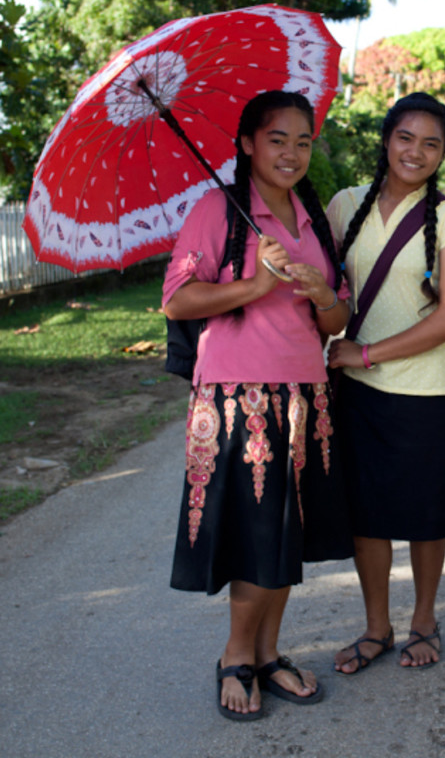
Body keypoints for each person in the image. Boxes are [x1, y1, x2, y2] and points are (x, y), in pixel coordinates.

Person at [162, 90, 353, 720]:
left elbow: (335, 321)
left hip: (305, 396)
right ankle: (236, 656)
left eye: (303, 141)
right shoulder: (217, 209)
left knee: (287, 533)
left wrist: (323, 293)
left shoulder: (312, 218)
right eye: (277, 139)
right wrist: (254, 284)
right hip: (237, 397)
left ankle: (269, 654)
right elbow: (177, 300)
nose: (291, 153)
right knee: (257, 533)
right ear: (246, 144)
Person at [325, 92, 445, 673]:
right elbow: (328, 291)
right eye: (406, 138)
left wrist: (366, 353)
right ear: (387, 140)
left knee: (424, 515)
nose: (416, 152)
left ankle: (424, 621)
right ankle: (376, 627)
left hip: (429, 391)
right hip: (358, 394)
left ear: (442, 154)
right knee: (366, 516)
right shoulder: (345, 206)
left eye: (431, 144)